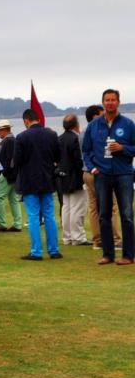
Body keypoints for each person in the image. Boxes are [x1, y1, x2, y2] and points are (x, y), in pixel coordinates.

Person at [82, 89, 135, 265]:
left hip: (124, 174)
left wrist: (123, 149)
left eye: (113, 100)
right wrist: (92, 168)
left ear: (118, 102)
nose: (110, 102)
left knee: (126, 215)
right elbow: (86, 150)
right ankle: (108, 254)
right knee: (103, 215)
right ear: (103, 103)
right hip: (102, 175)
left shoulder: (128, 124)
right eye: (107, 100)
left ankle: (128, 255)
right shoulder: (94, 125)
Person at [14, 108, 61, 260]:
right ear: (38, 119)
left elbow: (17, 161)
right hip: (47, 179)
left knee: (33, 216)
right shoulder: (51, 134)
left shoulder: (21, 137)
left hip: (29, 181)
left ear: (26, 120)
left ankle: (36, 251)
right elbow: (57, 157)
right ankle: (54, 250)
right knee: (49, 215)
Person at [83, 104, 121, 250]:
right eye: (101, 114)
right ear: (95, 117)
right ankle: (115, 240)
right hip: (99, 172)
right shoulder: (98, 132)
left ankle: (97, 240)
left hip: (87, 172)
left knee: (93, 207)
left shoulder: (82, 133)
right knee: (111, 206)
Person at [57, 114, 89, 245]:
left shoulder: (59, 139)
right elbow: (78, 160)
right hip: (76, 177)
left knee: (66, 207)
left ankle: (67, 236)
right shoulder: (76, 139)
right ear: (76, 125)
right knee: (77, 208)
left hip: (62, 177)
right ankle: (78, 237)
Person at [0, 120, 22, 232]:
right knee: (13, 199)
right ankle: (17, 224)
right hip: (14, 174)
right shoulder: (12, 139)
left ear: (4, 130)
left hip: (8, 174)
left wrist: (6, 172)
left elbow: (11, 159)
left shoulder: (8, 141)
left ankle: (1, 224)